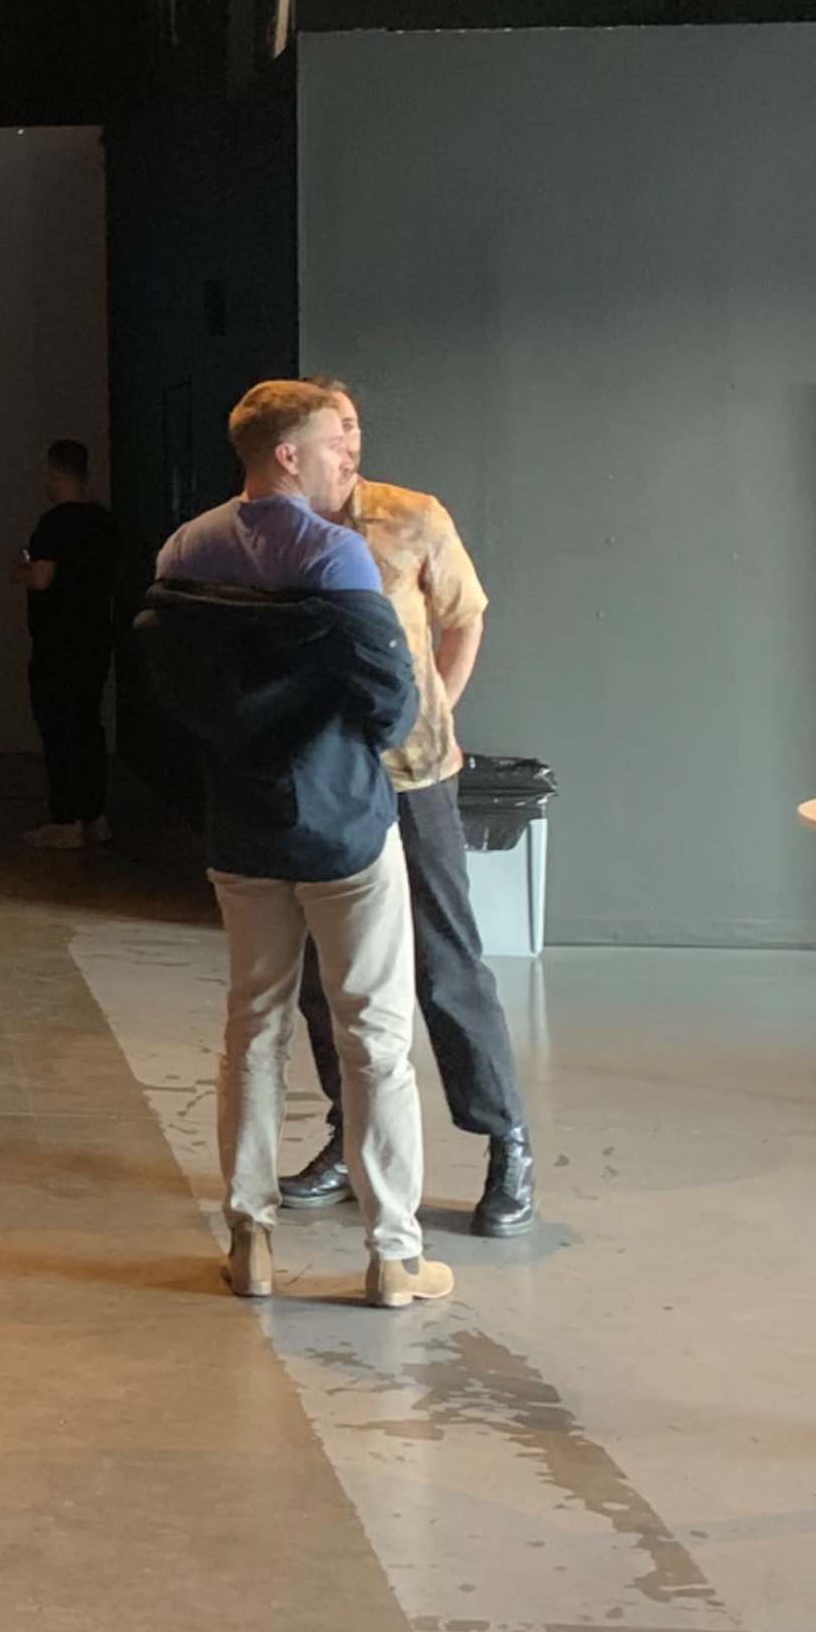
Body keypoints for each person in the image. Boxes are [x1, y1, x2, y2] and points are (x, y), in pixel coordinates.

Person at [134, 378, 452, 1310]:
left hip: (242, 824)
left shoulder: (186, 549)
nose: (347, 458)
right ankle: (394, 1255)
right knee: (376, 1037)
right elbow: (391, 703)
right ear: (285, 454)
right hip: (345, 826)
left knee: (254, 1026)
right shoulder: (339, 557)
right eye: (331, 444)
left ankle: (251, 1238)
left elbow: (173, 694)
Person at [277, 384, 536, 1236]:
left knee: (445, 965)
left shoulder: (413, 516)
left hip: (417, 775)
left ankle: (506, 1143)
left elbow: (466, 619)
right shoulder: (279, 530)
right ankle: (348, 1140)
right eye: (332, 431)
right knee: (326, 973)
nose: (347, 443)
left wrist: (442, 710)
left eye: (354, 425)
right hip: (325, 779)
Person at [14, 438, 124, 847]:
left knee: (58, 727)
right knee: (87, 725)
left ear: (55, 471)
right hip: (96, 636)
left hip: (57, 641)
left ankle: (67, 819)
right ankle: (95, 815)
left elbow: (42, 578)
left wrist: (22, 574)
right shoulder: (103, 522)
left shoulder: (54, 524)